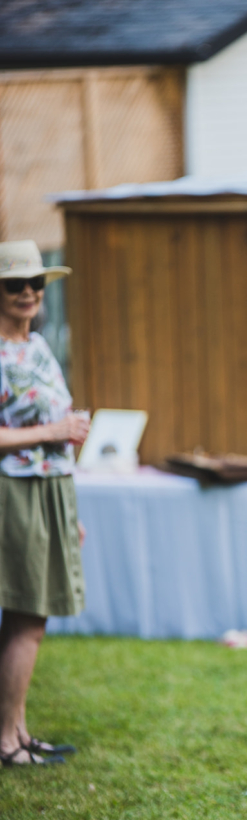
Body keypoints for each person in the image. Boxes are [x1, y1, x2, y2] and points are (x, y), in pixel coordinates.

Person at [0, 240, 89, 768]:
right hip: (16, 490)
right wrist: (56, 429)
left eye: (37, 284)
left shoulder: (35, 347)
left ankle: (18, 731)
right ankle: (8, 741)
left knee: (29, 616)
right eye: (16, 284)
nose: (29, 292)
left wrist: (70, 513)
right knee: (28, 613)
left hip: (51, 488)